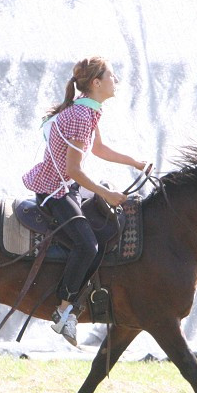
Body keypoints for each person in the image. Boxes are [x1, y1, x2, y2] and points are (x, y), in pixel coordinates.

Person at [22, 56, 147, 346]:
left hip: (68, 187)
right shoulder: (79, 117)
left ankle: (82, 299)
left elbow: (99, 149)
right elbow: (74, 171)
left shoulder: (89, 111)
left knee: (106, 230)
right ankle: (64, 309)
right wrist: (107, 194)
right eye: (112, 76)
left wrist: (136, 162)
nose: (116, 81)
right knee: (87, 244)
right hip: (56, 191)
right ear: (96, 83)